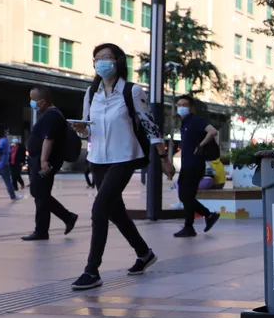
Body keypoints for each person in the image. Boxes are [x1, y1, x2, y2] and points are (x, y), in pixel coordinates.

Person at [68, 43, 175, 290]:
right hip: (97, 159)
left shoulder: (132, 90)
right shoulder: (91, 91)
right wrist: (81, 130)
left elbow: (149, 124)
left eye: (107, 57)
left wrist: (163, 157)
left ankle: (92, 270)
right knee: (116, 212)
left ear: (118, 61)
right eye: (97, 58)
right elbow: (87, 127)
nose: (102, 62)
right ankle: (143, 252)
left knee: (99, 209)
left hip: (124, 157)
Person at [23, 86, 79, 241]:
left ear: (42, 101)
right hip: (40, 160)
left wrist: (43, 161)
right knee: (39, 193)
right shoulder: (49, 115)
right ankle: (67, 218)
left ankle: (43, 230)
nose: (31, 102)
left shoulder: (51, 116)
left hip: (46, 162)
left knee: (40, 194)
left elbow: (49, 139)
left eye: (33, 99)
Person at [173, 94, 220, 237]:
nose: (181, 107)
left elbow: (213, 131)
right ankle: (190, 226)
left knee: (185, 196)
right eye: (179, 105)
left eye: (184, 105)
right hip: (188, 164)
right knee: (187, 196)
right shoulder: (185, 123)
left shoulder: (195, 121)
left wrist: (201, 145)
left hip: (194, 165)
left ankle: (206, 215)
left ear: (191, 108)